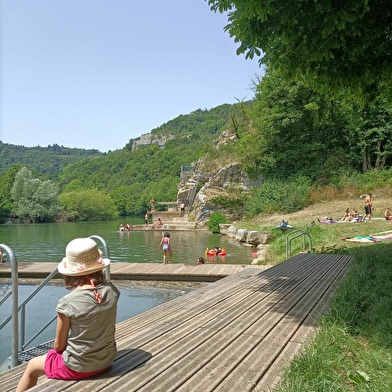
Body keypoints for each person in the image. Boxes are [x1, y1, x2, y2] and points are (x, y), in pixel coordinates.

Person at [16, 238, 119, 392]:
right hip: (107, 359)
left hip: (79, 366)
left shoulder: (68, 302)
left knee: (32, 366)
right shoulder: (112, 290)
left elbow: (59, 346)